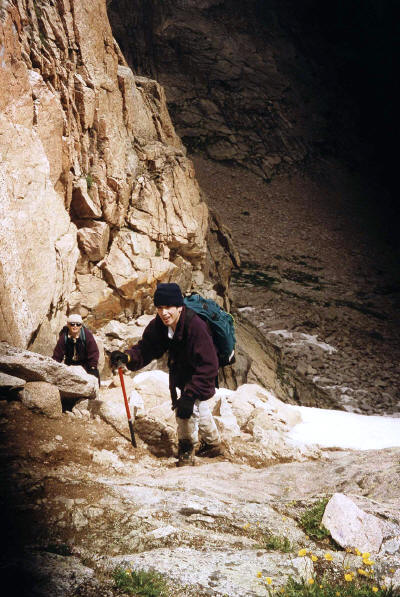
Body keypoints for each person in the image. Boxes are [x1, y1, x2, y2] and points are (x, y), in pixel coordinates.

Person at [110, 282, 223, 467]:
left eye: (169, 307)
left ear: (180, 307)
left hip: (201, 375)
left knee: (186, 410)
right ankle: (213, 444)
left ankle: (186, 449)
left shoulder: (196, 327)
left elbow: (210, 365)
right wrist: (128, 357)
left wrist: (190, 394)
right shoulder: (160, 326)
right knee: (199, 407)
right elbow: (146, 348)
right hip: (182, 372)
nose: (164, 313)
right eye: (160, 307)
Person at [52, 314, 100, 385]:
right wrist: (53, 367)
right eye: (72, 324)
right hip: (70, 364)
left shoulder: (87, 335)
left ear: (81, 326)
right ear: (68, 325)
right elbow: (58, 355)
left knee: (94, 377)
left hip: (85, 364)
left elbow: (93, 352)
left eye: (78, 324)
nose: (75, 326)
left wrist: (92, 366)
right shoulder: (64, 337)